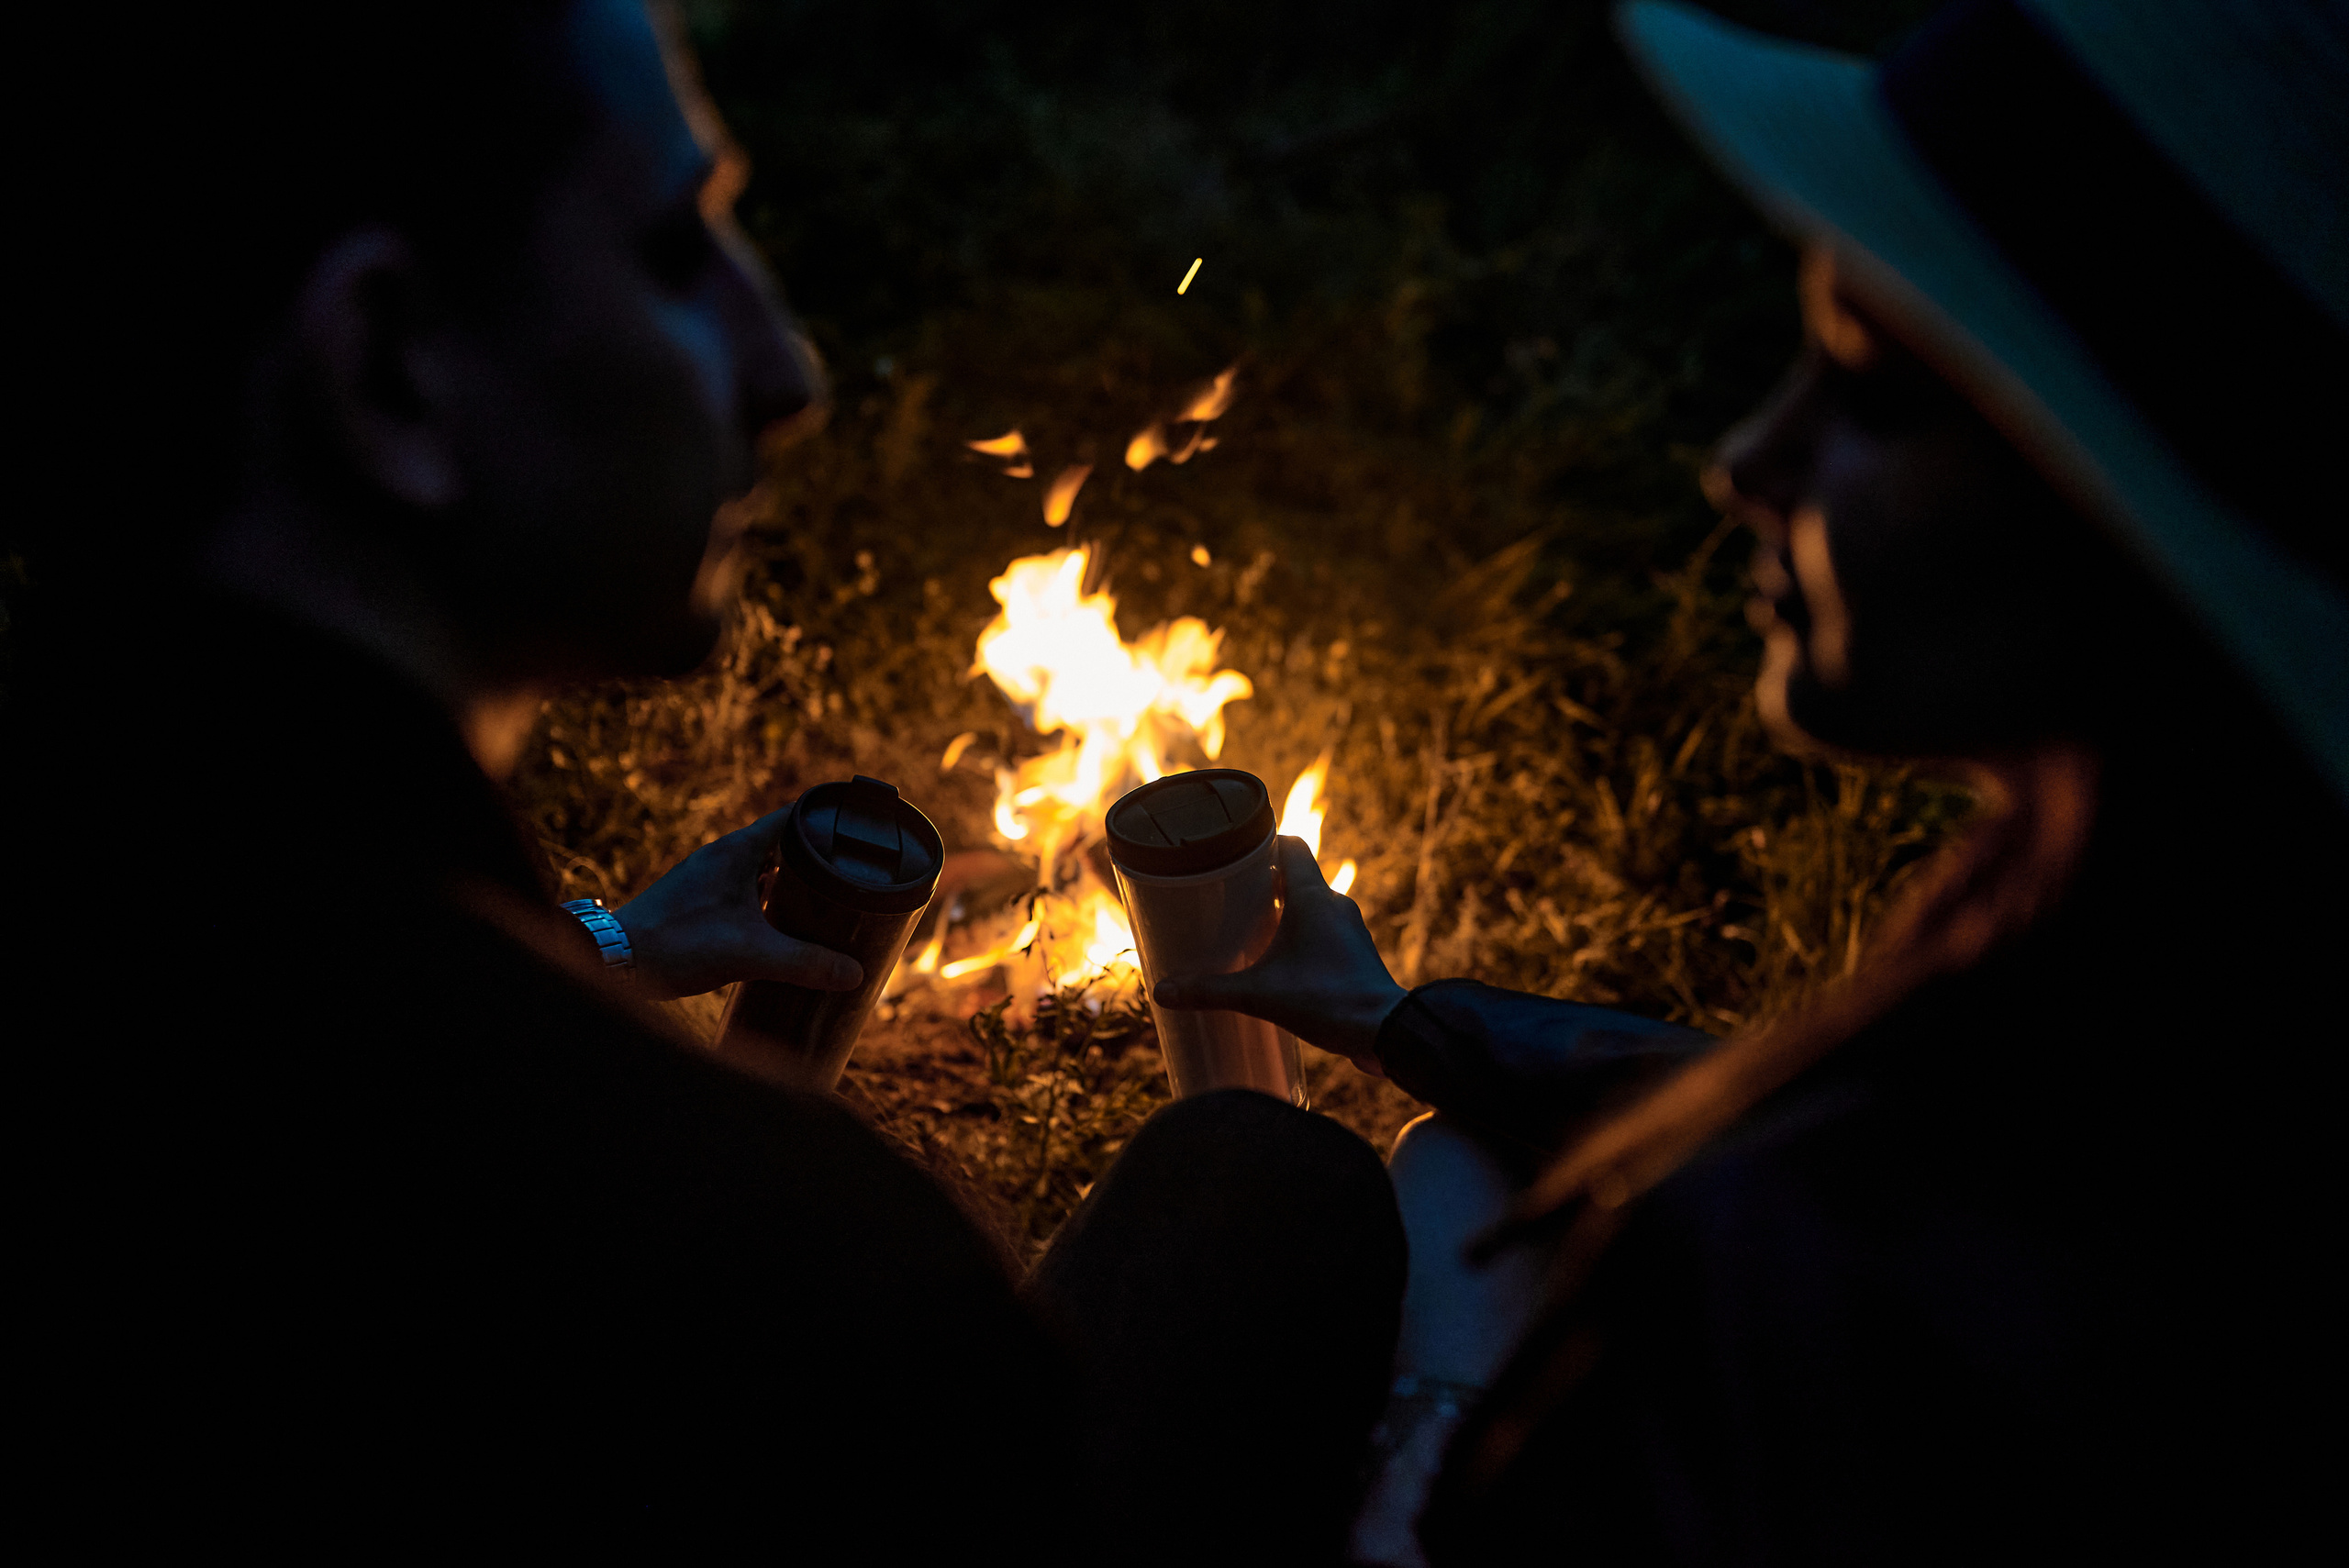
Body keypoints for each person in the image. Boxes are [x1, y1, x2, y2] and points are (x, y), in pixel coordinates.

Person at [6, 2, 1401, 1556]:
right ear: (392, 369)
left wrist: (606, 948)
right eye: (678, 250)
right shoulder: (798, 1282)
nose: (786, 364)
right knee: (1275, 1192)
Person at [1155, 1, 2348, 1562]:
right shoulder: (2166, 963)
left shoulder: (1825, 1276)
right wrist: (1399, 1021)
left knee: (1223, 1185)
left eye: (1865, 392)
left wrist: (1424, 1472)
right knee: (1448, 1159)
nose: (1747, 459)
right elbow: (1764, 1088)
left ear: (2099, 493)